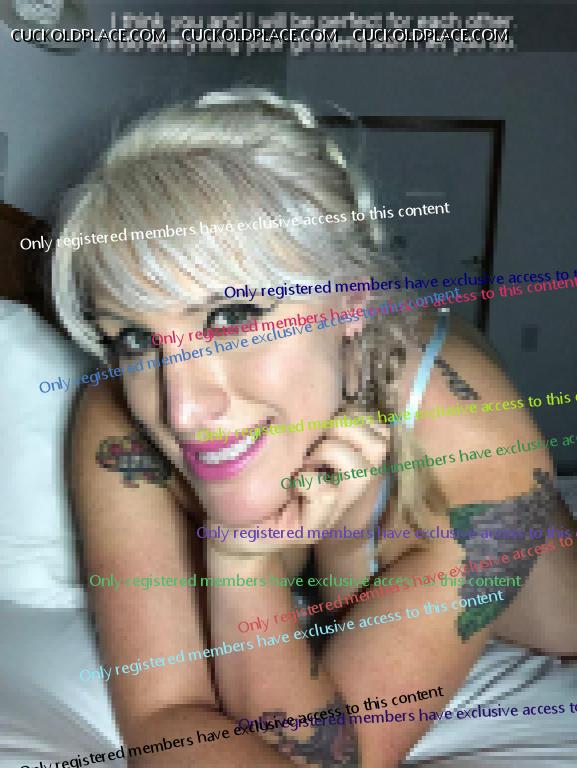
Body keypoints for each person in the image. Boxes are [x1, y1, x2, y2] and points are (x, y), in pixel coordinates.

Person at [52, 88, 577, 767]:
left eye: (232, 315)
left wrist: (247, 566)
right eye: (132, 336)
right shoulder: (118, 415)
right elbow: (164, 715)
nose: (183, 410)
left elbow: (332, 756)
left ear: (351, 298)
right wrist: (240, 557)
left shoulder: (474, 442)